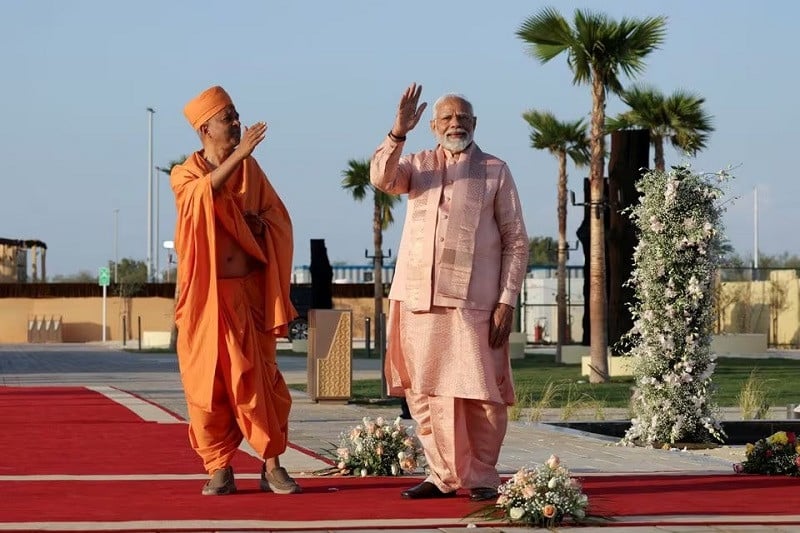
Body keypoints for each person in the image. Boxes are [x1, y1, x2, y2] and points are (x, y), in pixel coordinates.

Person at [370, 83, 528, 502]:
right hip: (418, 299)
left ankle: (481, 476)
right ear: (434, 126)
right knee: (425, 393)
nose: (455, 123)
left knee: (482, 393)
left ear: (474, 124)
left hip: (475, 304)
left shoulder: (495, 169)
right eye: (447, 118)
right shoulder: (416, 164)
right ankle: (440, 475)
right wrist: (397, 132)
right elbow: (382, 178)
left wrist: (506, 300)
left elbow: (516, 240)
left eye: (463, 117)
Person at [170, 85, 301, 496]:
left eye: (236, 115)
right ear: (205, 128)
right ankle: (219, 467)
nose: (237, 123)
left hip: (250, 297)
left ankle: (272, 464)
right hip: (208, 302)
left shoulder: (251, 172)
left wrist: (260, 227)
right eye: (228, 118)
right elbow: (198, 197)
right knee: (208, 387)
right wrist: (240, 154)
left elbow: (277, 217)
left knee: (260, 380)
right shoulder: (185, 173)